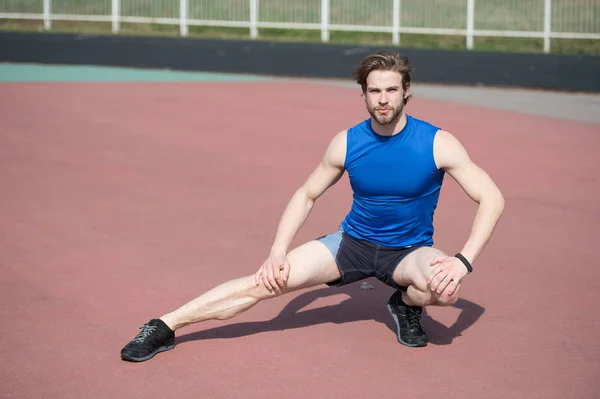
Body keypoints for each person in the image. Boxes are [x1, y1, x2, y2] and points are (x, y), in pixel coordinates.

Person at [120, 50, 505, 362]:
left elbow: (492, 198)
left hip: (409, 251)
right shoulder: (347, 142)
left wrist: (463, 260)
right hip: (351, 243)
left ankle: (405, 303)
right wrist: (277, 252)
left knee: (446, 291)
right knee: (263, 284)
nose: (383, 99)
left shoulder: (438, 142)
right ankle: (164, 325)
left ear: (407, 92)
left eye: (391, 90)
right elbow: (307, 193)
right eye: (374, 91)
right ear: (364, 95)